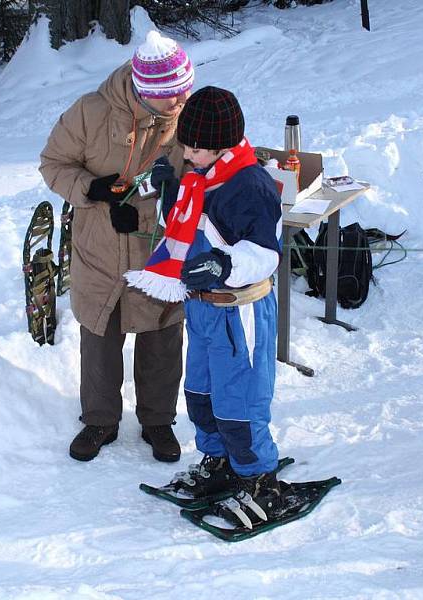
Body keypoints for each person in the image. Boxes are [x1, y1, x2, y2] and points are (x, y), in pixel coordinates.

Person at [125, 86, 285, 525]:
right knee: (201, 395)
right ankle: (218, 463)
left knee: (240, 402)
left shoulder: (249, 185)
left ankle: (258, 478)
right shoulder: (200, 178)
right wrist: (168, 191)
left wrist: (224, 265)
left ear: (224, 144)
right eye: (186, 145)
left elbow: (266, 253)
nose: (189, 154)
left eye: (197, 148)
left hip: (239, 311)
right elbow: (185, 227)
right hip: (201, 310)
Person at [38, 31, 195, 463]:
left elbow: (209, 165)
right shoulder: (90, 113)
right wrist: (94, 189)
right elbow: (53, 164)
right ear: (146, 91)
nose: (181, 102)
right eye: (172, 96)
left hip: (158, 246)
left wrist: (175, 193)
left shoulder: (186, 117)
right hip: (100, 243)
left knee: (162, 334)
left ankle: (158, 421)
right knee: (100, 333)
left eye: (185, 91)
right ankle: (100, 420)